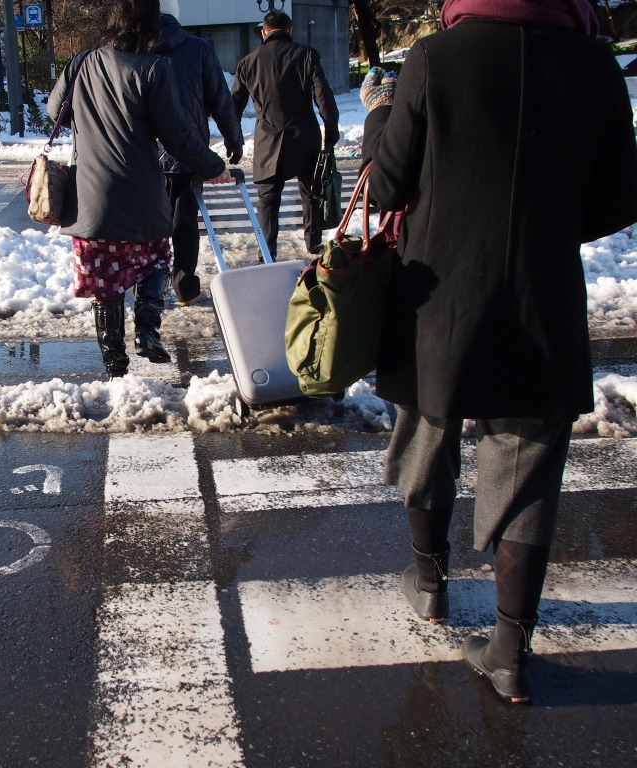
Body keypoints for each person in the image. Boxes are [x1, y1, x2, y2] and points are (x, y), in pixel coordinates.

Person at [364, 0, 637, 704]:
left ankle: (428, 582)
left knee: (428, 431)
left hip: (437, 295)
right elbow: (616, 198)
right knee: (527, 466)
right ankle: (511, 648)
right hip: (540, 296)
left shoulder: (436, 57)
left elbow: (389, 183)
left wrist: (379, 118)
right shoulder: (595, 64)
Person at [49, 0, 231, 378]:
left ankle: (114, 362)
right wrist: (214, 166)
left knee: (105, 280)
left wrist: (92, 127)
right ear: (149, 29)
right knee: (156, 262)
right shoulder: (153, 69)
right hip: (142, 193)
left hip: (90, 198)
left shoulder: (81, 63)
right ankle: (147, 332)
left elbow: (55, 111)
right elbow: (177, 136)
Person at [151, 0, 244, 306]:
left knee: (148, 223)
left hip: (146, 154)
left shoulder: (135, 49)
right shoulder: (198, 48)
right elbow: (220, 99)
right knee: (185, 222)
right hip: (189, 152)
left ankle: (148, 287)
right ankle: (185, 288)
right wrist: (233, 140)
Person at [231, 10, 339, 259]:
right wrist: (330, 131)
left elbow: (233, 106)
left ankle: (266, 251)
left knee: (267, 199)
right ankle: (313, 243)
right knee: (310, 191)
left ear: (263, 32)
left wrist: (233, 141)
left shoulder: (248, 62)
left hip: (268, 137)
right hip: (304, 134)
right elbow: (324, 98)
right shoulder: (306, 55)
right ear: (290, 30)